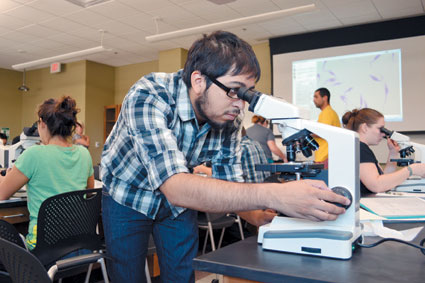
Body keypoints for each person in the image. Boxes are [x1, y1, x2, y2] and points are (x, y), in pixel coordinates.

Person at [101, 30, 350, 282]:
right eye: (235, 90)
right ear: (199, 81)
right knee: (127, 274)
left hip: (176, 203)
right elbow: (176, 187)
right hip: (128, 194)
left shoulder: (229, 113)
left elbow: (229, 181)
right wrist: (277, 194)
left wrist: (256, 216)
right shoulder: (149, 95)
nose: (240, 104)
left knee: (182, 273)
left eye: (247, 94)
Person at [0, 96, 94, 249]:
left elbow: (1, 194)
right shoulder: (84, 154)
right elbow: (89, 193)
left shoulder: (33, 154)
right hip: (79, 244)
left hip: (44, 247)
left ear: (42, 124)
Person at [342, 108, 425, 196]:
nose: (384, 134)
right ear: (364, 127)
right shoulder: (360, 148)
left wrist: (393, 153)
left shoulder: (360, 147)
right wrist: (412, 170)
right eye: (380, 129)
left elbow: (384, 180)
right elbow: (376, 185)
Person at [313, 88, 341, 168]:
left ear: (325, 98)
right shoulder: (328, 112)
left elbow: (322, 132)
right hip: (325, 156)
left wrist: (306, 133)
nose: (313, 100)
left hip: (325, 156)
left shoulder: (327, 113)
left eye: (316, 97)